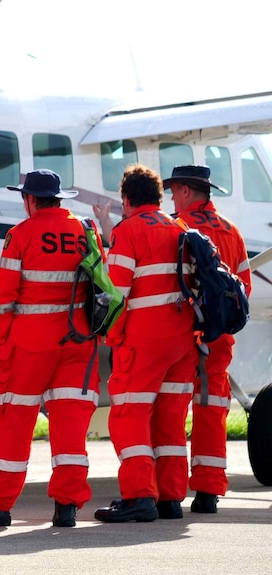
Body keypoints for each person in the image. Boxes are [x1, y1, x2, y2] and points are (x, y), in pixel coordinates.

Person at [0, 169, 103, 529]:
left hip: (30, 345)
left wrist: (4, 347)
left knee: (14, 420)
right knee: (70, 426)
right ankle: (67, 506)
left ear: (30, 200)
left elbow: (4, 299)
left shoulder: (20, 235)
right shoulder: (86, 231)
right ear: (59, 199)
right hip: (79, 342)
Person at [94, 164, 198, 523]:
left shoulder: (129, 231)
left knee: (129, 415)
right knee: (170, 419)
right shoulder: (179, 228)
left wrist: (113, 335)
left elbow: (116, 292)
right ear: (157, 197)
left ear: (126, 200)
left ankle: (139, 496)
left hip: (145, 341)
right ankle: (170, 498)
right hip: (182, 341)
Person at [165, 165, 253, 513]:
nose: (171, 196)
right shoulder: (232, 231)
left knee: (170, 410)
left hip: (183, 335)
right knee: (212, 409)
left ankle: (168, 494)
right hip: (219, 337)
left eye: (174, 190)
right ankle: (208, 492)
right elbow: (244, 287)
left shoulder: (178, 228)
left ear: (187, 191)